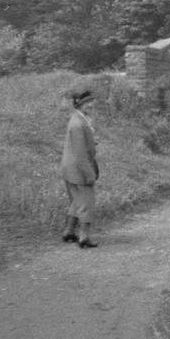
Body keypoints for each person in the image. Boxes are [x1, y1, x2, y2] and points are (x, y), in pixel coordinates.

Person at [60, 88, 100, 248]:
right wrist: (89, 174)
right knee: (87, 201)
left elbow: (81, 146)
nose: (92, 105)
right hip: (78, 168)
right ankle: (84, 236)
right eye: (89, 103)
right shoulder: (78, 123)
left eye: (92, 102)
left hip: (71, 167)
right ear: (81, 105)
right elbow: (79, 153)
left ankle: (69, 231)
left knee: (77, 200)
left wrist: (92, 142)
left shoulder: (79, 119)